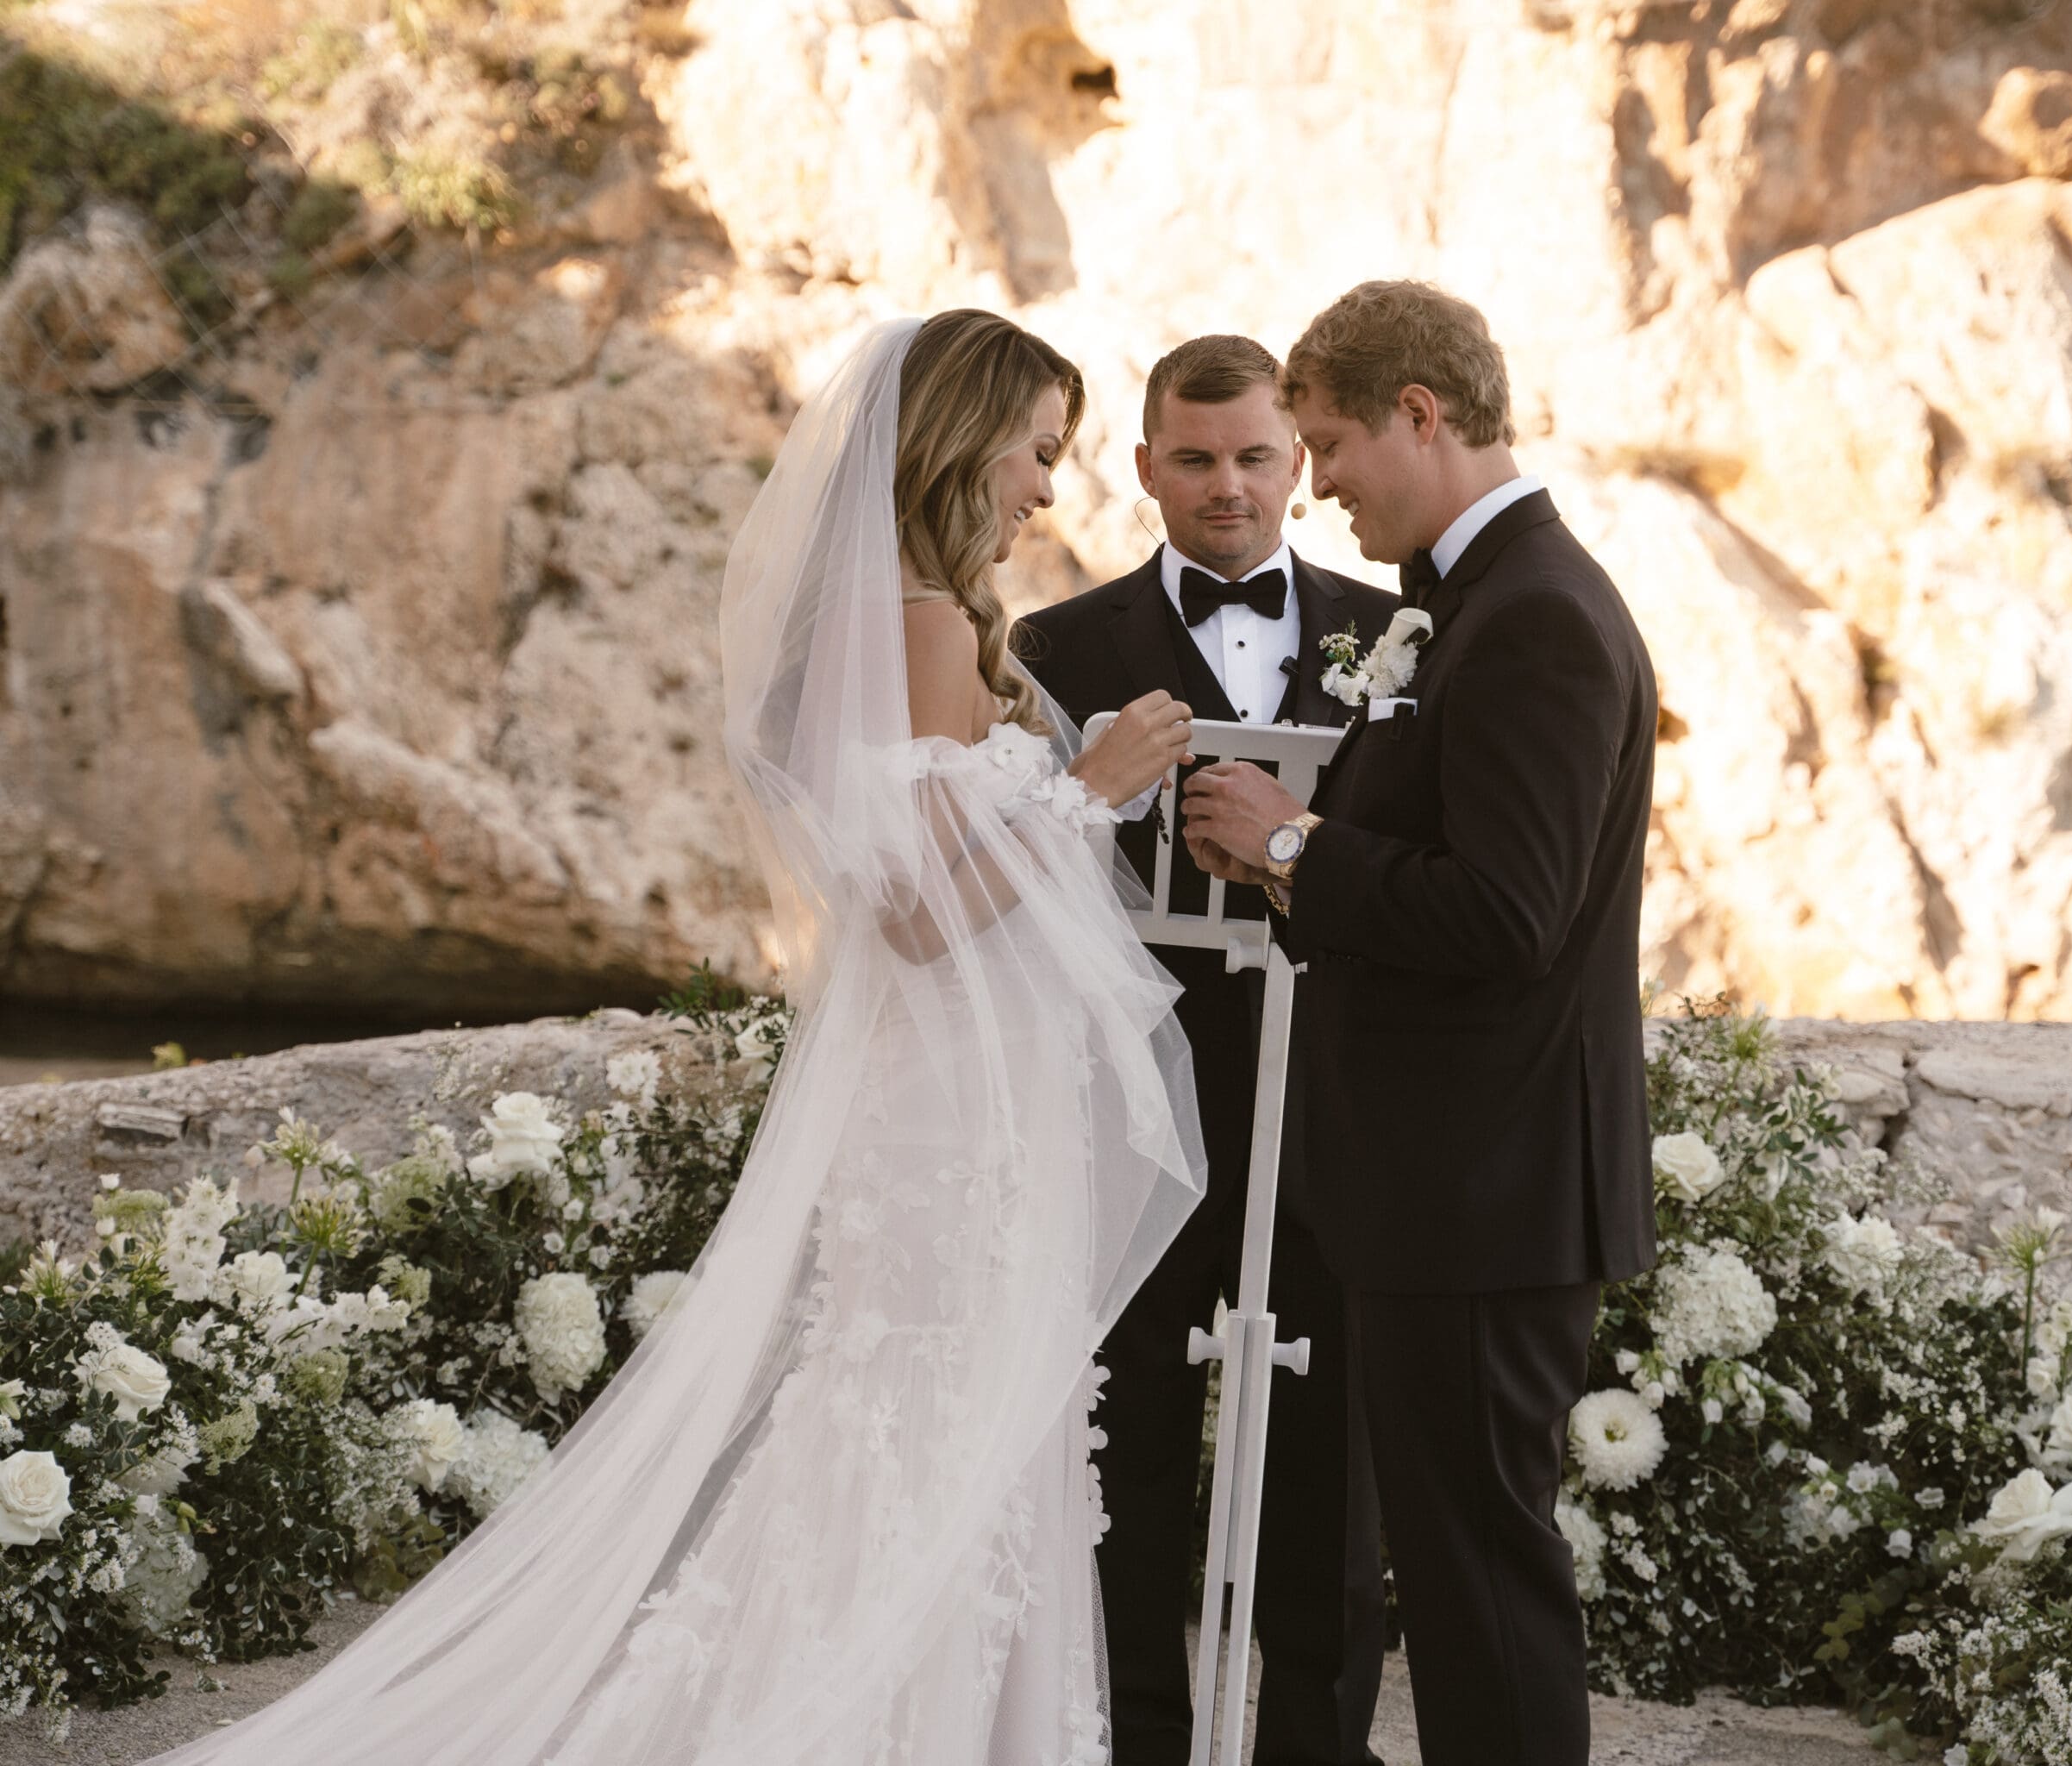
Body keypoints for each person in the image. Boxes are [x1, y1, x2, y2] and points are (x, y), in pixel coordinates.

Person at [143, 311, 1207, 1765]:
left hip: (953, 1096)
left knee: (915, 1412)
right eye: (1035, 451)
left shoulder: (899, 616)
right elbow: (914, 917)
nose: (1043, 488)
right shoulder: (915, 624)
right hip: (957, 1116)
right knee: (929, 1412)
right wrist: (1089, 788)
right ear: (961, 440)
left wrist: (1073, 794)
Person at [1182, 280, 1661, 1766]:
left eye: (1328, 445)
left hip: (1487, 1192)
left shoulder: (1536, 620)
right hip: (1450, 1187)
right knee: (1460, 1580)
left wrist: (1292, 848)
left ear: (1421, 414)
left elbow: (1508, 917)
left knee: (1482, 1584)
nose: (1317, 486)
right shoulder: (1481, 604)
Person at [1017, 334, 1393, 1766]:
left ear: (1298, 460)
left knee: (1327, 1463)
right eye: (1194, 459)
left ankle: (1314, 1749)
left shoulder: (1393, 633)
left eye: (1253, 457)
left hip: (1333, 1104)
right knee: (1131, 1451)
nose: (1227, 488)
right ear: (1145, 470)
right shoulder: (1057, 647)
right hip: (1136, 1110)